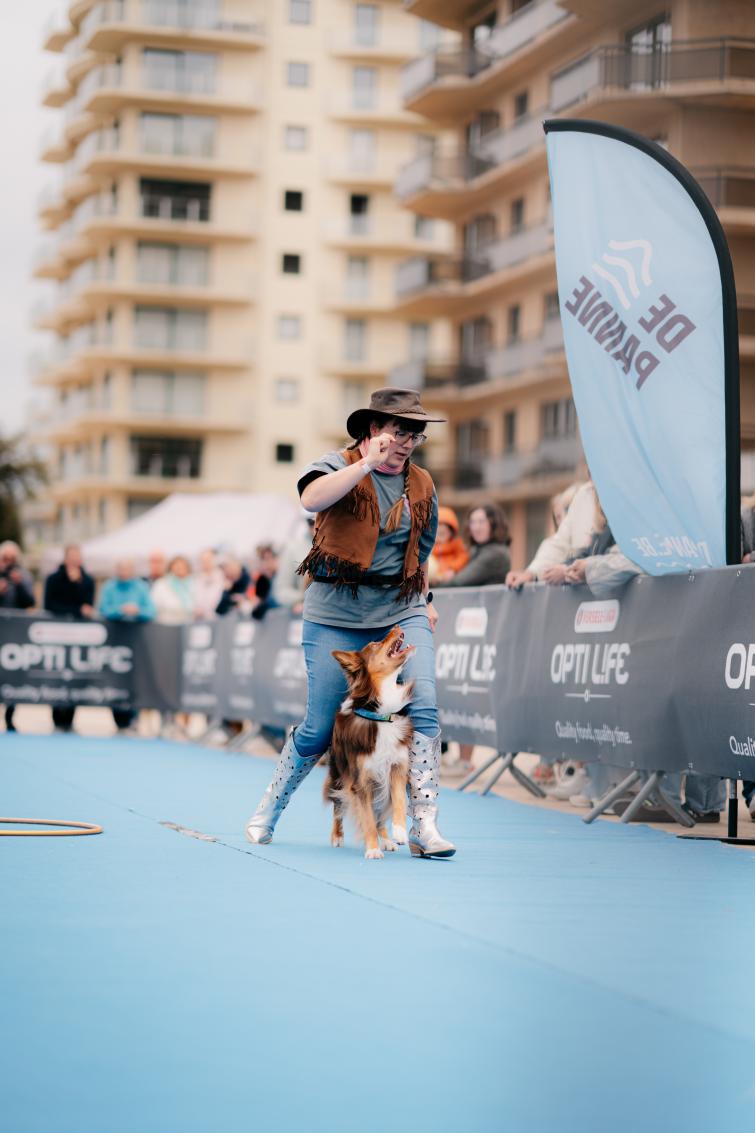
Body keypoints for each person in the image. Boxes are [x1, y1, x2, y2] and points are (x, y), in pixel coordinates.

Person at [244, 386, 455, 858]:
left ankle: (423, 824)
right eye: (399, 432)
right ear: (373, 430)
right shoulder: (338, 465)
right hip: (334, 612)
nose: (406, 443)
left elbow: (420, 549)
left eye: (415, 435)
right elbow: (311, 499)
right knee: (320, 727)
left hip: (398, 608)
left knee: (423, 706)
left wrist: (426, 598)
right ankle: (270, 807)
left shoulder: (422, 483)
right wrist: (364, 465)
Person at [435, 504, 511, 776]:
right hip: (468, 633)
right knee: (459, 692)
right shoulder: (476, 551)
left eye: (482, 521)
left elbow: (460, 583)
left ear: (494, 524)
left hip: (484, 635)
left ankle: (466, 760)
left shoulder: (495, 554)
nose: (476, 526)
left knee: (471, 694)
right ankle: (458, 757)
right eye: (473, 521)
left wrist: (429, 583)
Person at [99, 559, 156, 734]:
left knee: (136, 679)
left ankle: (133, 718)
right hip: (114, 639)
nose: (124, 572)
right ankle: (119, 720)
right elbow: (103, 608)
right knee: (115, 678)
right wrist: (120, 610)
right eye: (121, 568)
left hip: (136, 640)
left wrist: (137, 611)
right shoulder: (109, 586)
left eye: (127, 568)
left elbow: (151, 611)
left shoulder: (141, 587)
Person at [44, 545, 96, 733]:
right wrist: (75, 610)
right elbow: (49, 605)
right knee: (56, 675)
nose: (75, 560)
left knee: (76, 676)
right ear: (65, 558)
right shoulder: (53, 579)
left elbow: (87, 607)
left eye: (77, 556)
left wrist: (77, 584)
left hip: (79, 637)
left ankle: (70, 719)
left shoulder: (87, 580)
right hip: (56, 634)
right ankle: (56, 719)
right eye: (71, 556)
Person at [0, 542, 35, 732]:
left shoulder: (23, 576)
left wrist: (19, 584)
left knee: (13, 675)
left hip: (14, 633)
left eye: (12, 558)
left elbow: (30, 601)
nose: (9, 562)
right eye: (5, 558)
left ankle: (10, 716)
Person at [427, 506, 469, 585]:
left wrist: (452, 569)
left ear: (451, 532)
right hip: (434, 578)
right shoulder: (430, 547)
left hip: (450, 576)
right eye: (438, 534)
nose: (440, 537)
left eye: (443, 534)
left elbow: (463, 557)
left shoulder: (456, 544)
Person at [193, 548, 225, 621]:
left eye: (208, 560)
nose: (205, 563)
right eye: (202, 560)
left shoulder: (223, 577)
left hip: (218, 619)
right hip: (199, 619)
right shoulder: (196, 578)